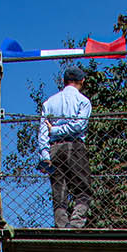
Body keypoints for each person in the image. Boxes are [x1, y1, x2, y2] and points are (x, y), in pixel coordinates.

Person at [40, 66, 93, 229]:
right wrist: (58, 130)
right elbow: (79, 126)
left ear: (63, 82)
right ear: (82, 81)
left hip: (54, 148)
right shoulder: (83, 102)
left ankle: (61, 225)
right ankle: (76, 223)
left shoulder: (49, 103)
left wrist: (44, 154)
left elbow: (43, 131)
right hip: (74, 146)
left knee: (59, 189)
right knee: (83, 188)